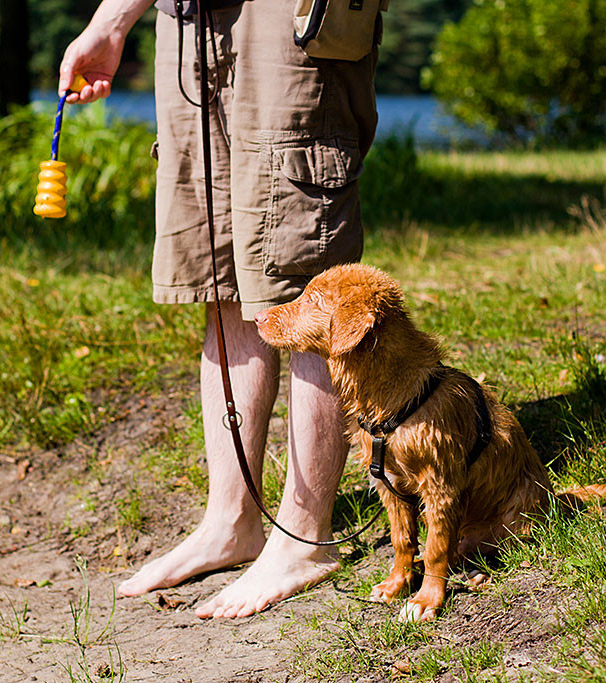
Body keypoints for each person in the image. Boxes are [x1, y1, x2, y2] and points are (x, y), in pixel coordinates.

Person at [58, 0, 379, 619]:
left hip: (286, 15)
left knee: (300, 273)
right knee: (219, 272)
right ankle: (232, 521)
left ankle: (303, 538)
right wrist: (110, 23)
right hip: (188, 20)